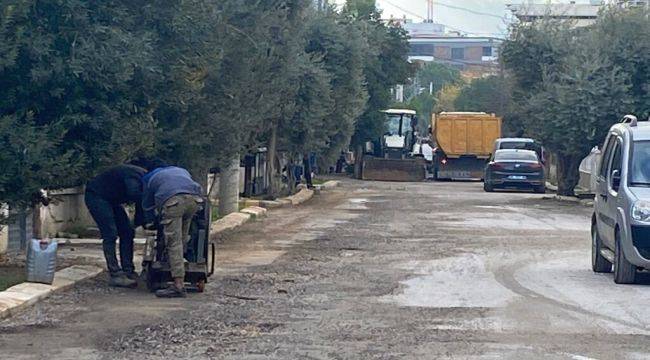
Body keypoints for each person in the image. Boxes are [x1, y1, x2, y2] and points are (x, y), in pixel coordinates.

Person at [142, 162, 203, 298]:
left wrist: (150, 221)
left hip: (173, 202)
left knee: (173, 243)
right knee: (181, 240)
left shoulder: (149, 178)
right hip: (194, 200)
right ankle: (177, 266)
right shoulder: (180, 170)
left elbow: (147, 205)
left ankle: (178, 285)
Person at [84, 165, 146, 287]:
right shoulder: (134, 176)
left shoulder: (143, 178)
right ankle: (115, 274)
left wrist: (143, 220)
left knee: (128, 232)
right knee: (110, 234)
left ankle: (128, 271)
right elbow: (134, 193)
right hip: (96, 196)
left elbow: (139, 203)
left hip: (112, 199)